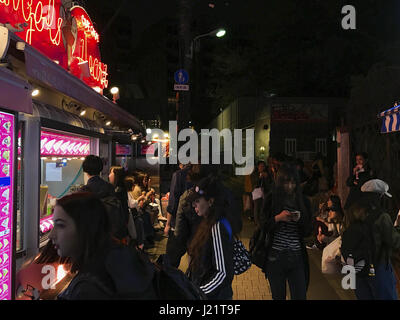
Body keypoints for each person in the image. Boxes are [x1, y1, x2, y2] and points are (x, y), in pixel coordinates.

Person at [48, 192, 156, 300]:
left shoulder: (88, 288)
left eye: (60, 225)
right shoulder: (121, 256)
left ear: (84, 227)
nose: (51, 235)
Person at [261, 162, 313, 300]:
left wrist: (300, 219)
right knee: (278, 297)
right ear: (279, 182)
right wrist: (278, 218)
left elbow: (308, 231)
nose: (290, 187)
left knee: (300, 296)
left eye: (293, 183)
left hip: (296, 257)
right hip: (275, 257)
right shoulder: (271, 199)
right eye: (286, 183)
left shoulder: (303, 201)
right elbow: (262, 226)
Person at [342, 179, 400, 300]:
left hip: (357, 267)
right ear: (379, 196)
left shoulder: (351, 213)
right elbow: (395, 242)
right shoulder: (382, 216)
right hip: (378, 267)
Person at [186, 176, 235, 300]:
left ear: (210, 201)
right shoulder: (208, 221)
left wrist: (199, 293)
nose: (194, 205)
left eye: (197, 201)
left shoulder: (218, 226)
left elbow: (223, 273)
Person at [251, 160, 273, 228]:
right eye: (261, 166)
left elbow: (269, 183)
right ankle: (257, 223)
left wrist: (266, 177)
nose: (262, 168)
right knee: (257, 207)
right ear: (258, 167)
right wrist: (259, 178)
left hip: (265, 192)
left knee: (263, 207)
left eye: (263, 166)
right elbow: (254, 183)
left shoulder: (267, 173)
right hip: (257, 192)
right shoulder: (254, 174)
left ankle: (262, 221)